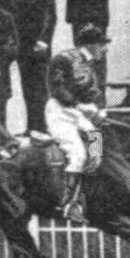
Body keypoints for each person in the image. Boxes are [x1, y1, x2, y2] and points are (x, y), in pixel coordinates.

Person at [46, 23, 109, 223]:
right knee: (78, 154)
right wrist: (81, 106)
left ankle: (86, 195)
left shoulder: (89, 64)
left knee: (96, 145)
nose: (104, 48)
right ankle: (67, 204)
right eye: (101, 44)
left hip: (79, 113)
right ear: (91, 45)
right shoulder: (63, 59)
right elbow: (57, 88)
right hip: (60, 111)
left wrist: (101, 109)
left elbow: (95, 92)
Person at [15, 0, 56, 135]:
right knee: (27, 87)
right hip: (22, 45)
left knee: (39, 87)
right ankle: (32, 126)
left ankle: (43, 126)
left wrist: (43, 41)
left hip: (37, 45)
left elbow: (49, 18)